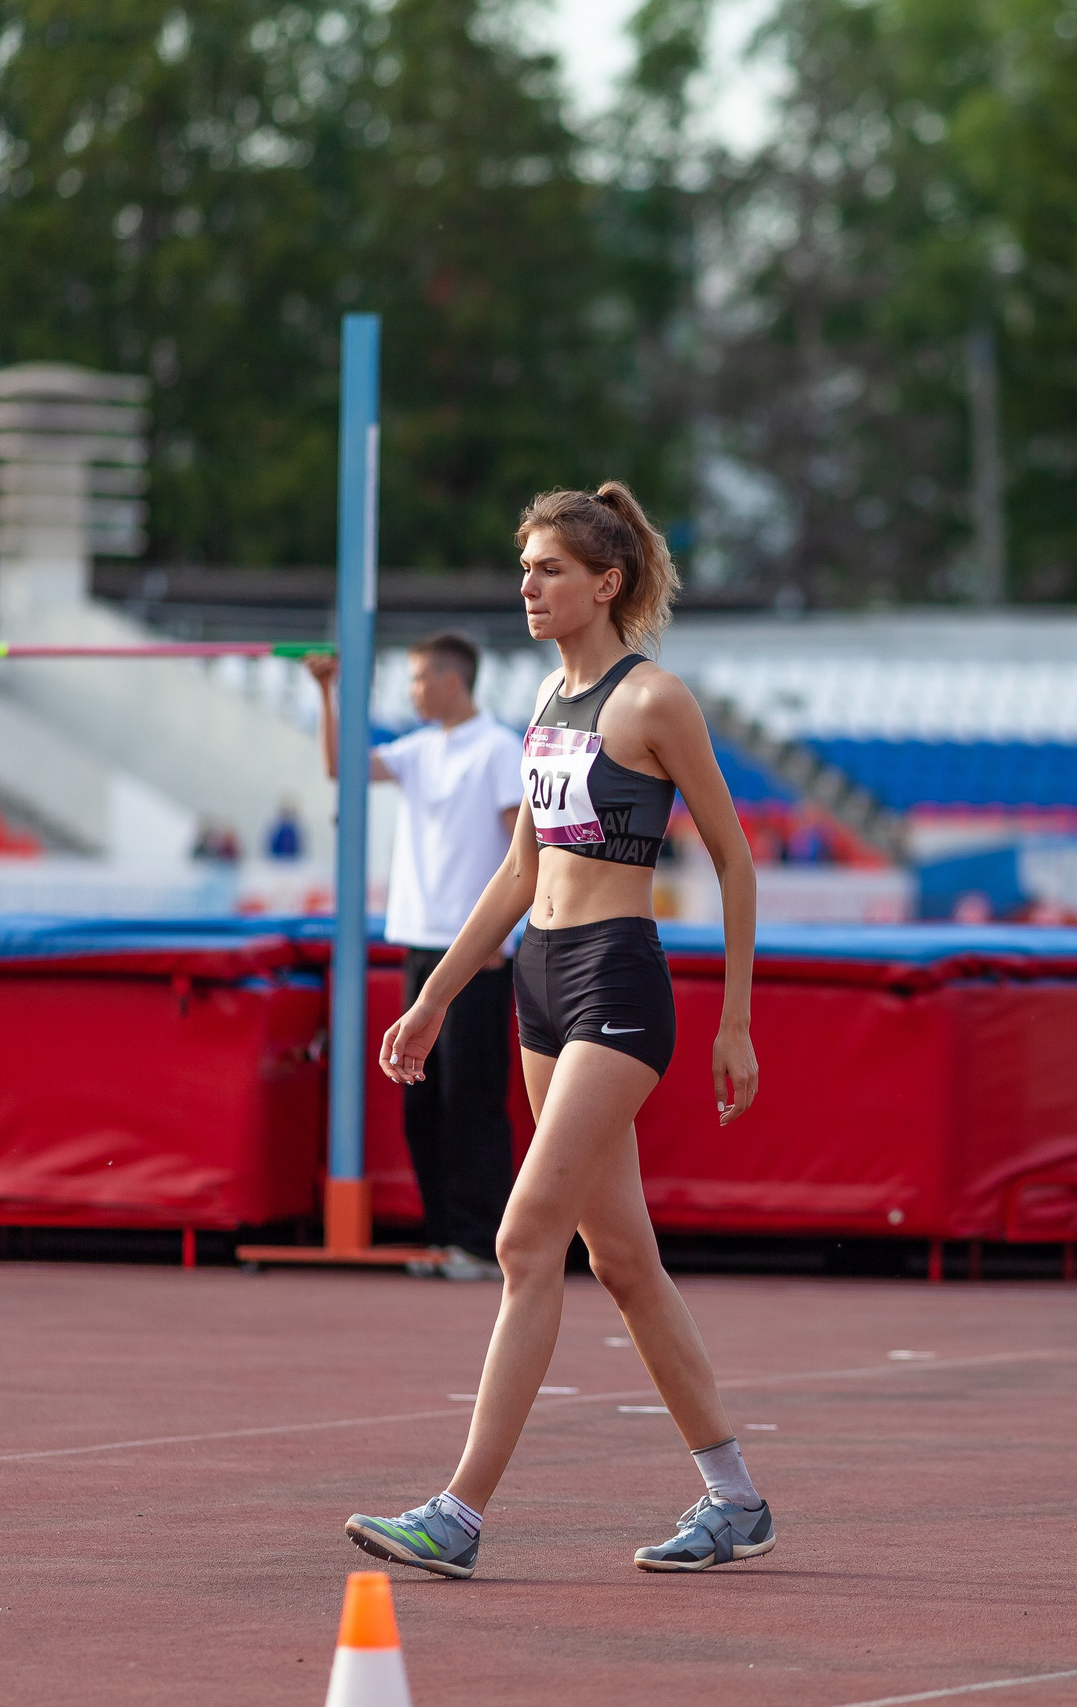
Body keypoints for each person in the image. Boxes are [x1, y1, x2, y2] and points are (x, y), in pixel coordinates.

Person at [343, 483, 767, 1580]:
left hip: (619, 985)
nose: (527, 587)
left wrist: (736, 1024)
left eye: (547, 570)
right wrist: (436, 996)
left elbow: (731, 858)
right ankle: (734, 1498)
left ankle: (461, 1514)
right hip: (536, 975)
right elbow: (520, 869)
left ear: (605, 582)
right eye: (524, 569)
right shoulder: (546, 702)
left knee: (524, 1239)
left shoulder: (653, 702)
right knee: (619, 1259)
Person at [309, 633, 524, 1282]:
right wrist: (325, 691)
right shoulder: (420, 749)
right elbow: (342, 768)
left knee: (473, 1098)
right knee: (420, 1099)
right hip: (420, 943)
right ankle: (444, 1236)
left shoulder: (498, 749)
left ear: (451, 681)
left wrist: (500, 938)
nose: (411, 692)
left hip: (477, 952)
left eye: (418, 679)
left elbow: (524, 855)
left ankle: (482, 1241)